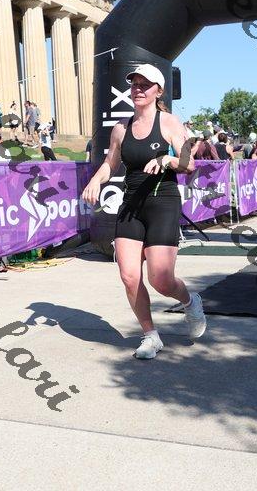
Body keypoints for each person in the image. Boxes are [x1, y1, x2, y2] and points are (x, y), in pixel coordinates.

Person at [82, 64, 206, 360]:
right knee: (129, 276)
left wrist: (166, 160)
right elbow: (111, 163)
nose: (138, 89)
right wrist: (95, 180)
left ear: (158, 91)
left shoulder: (169, 122)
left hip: (163, 203)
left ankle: (191, 302)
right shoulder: (120, 128)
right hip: (131, 205)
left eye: (145, 84)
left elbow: (189, 164)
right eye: (134, 84)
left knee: (161, 279)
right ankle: (151, 335)